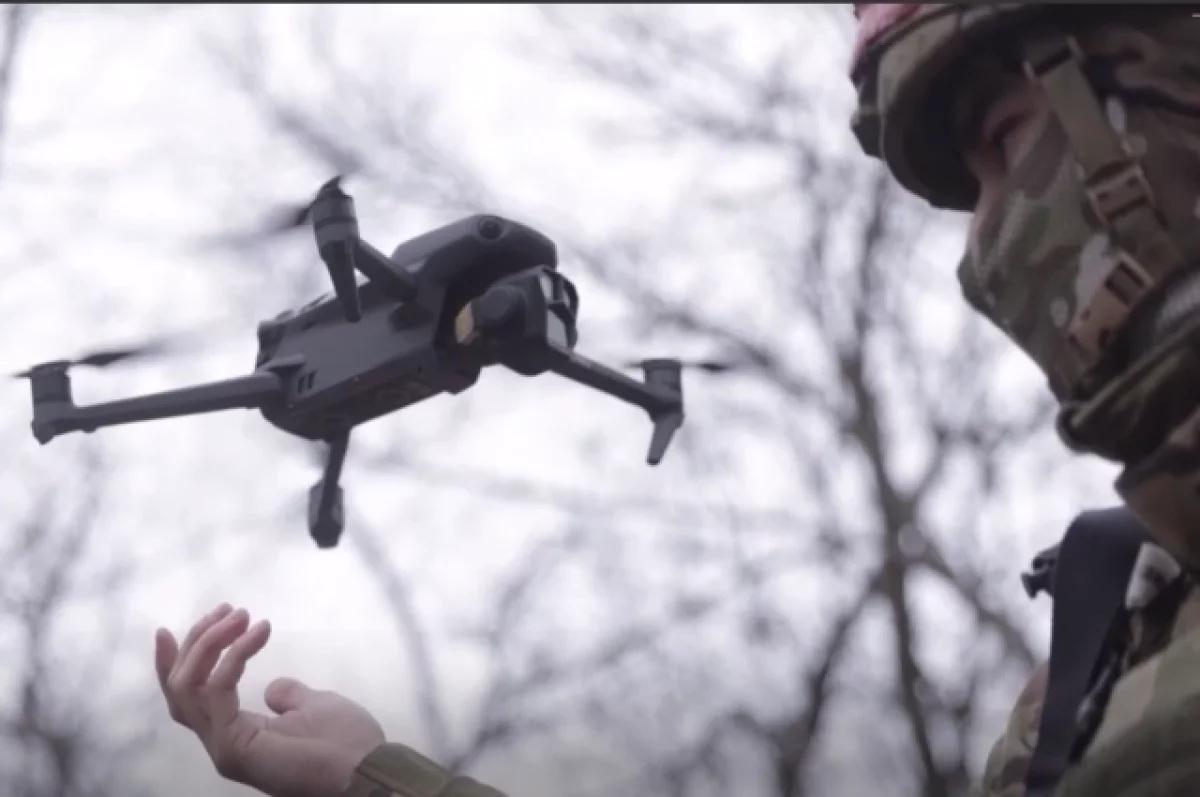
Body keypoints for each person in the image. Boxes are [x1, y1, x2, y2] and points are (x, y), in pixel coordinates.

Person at [156, 4, 1200, 796]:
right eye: (970, 197)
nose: (983, 258)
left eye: (1007, 138)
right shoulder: (1102, 647)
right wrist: (371, 775)